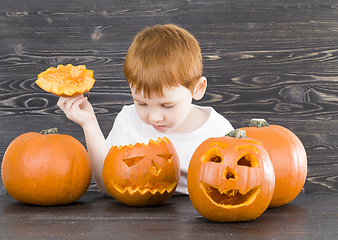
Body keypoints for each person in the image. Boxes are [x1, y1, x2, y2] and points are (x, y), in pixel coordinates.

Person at [57, 24, 234, 196]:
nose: (154, 117)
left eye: (167, 105)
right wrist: (89, 124)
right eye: (141, 103)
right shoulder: (128, 120)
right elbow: (107, 185)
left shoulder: (219, 131)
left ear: (198, 89)